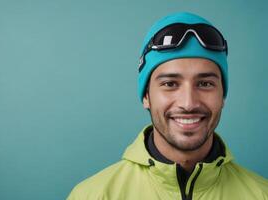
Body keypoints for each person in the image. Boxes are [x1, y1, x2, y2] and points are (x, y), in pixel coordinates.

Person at [67, 12, 268, 200]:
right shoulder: (93, 195)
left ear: (222, 95)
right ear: (146, 95)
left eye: (205, 84)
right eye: (170, 84)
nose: (188, 103)